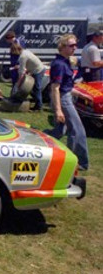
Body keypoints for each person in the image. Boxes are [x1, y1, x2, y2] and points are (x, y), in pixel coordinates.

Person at [45, 34, 90, 171]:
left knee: (59, 132)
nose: (74, 48)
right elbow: (55, 88)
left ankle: (37, 140)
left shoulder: (65, 62)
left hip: (66, 97)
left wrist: (81, 94)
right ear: (62, 47)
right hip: (63, 101)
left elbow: (67, 87)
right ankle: (79, 163)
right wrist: (58, 110)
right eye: (71, 45)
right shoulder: (59, 64)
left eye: (75, 45)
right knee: (77, 130)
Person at [11, 43, 46, 111]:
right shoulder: (26, 51)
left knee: (36, 88)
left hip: (38, 70)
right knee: (33, 88)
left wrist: (18, 83)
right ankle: (37, 102)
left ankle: (39, 106)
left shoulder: (22, 57)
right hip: (37, 68)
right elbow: (28, 64)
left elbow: (22, 72)